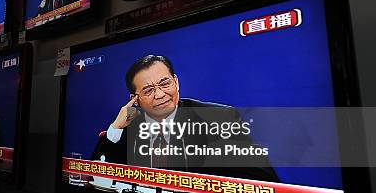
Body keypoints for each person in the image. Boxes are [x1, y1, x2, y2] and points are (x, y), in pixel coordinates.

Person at [91, 55, 278, 182]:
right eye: (148, 90)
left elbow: (265, 182)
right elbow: (94, 176)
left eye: (165, 83)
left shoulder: (219, 119)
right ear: (135, 98)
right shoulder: (129, 127)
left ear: (176, 82)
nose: (160, 94)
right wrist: (115, 127)